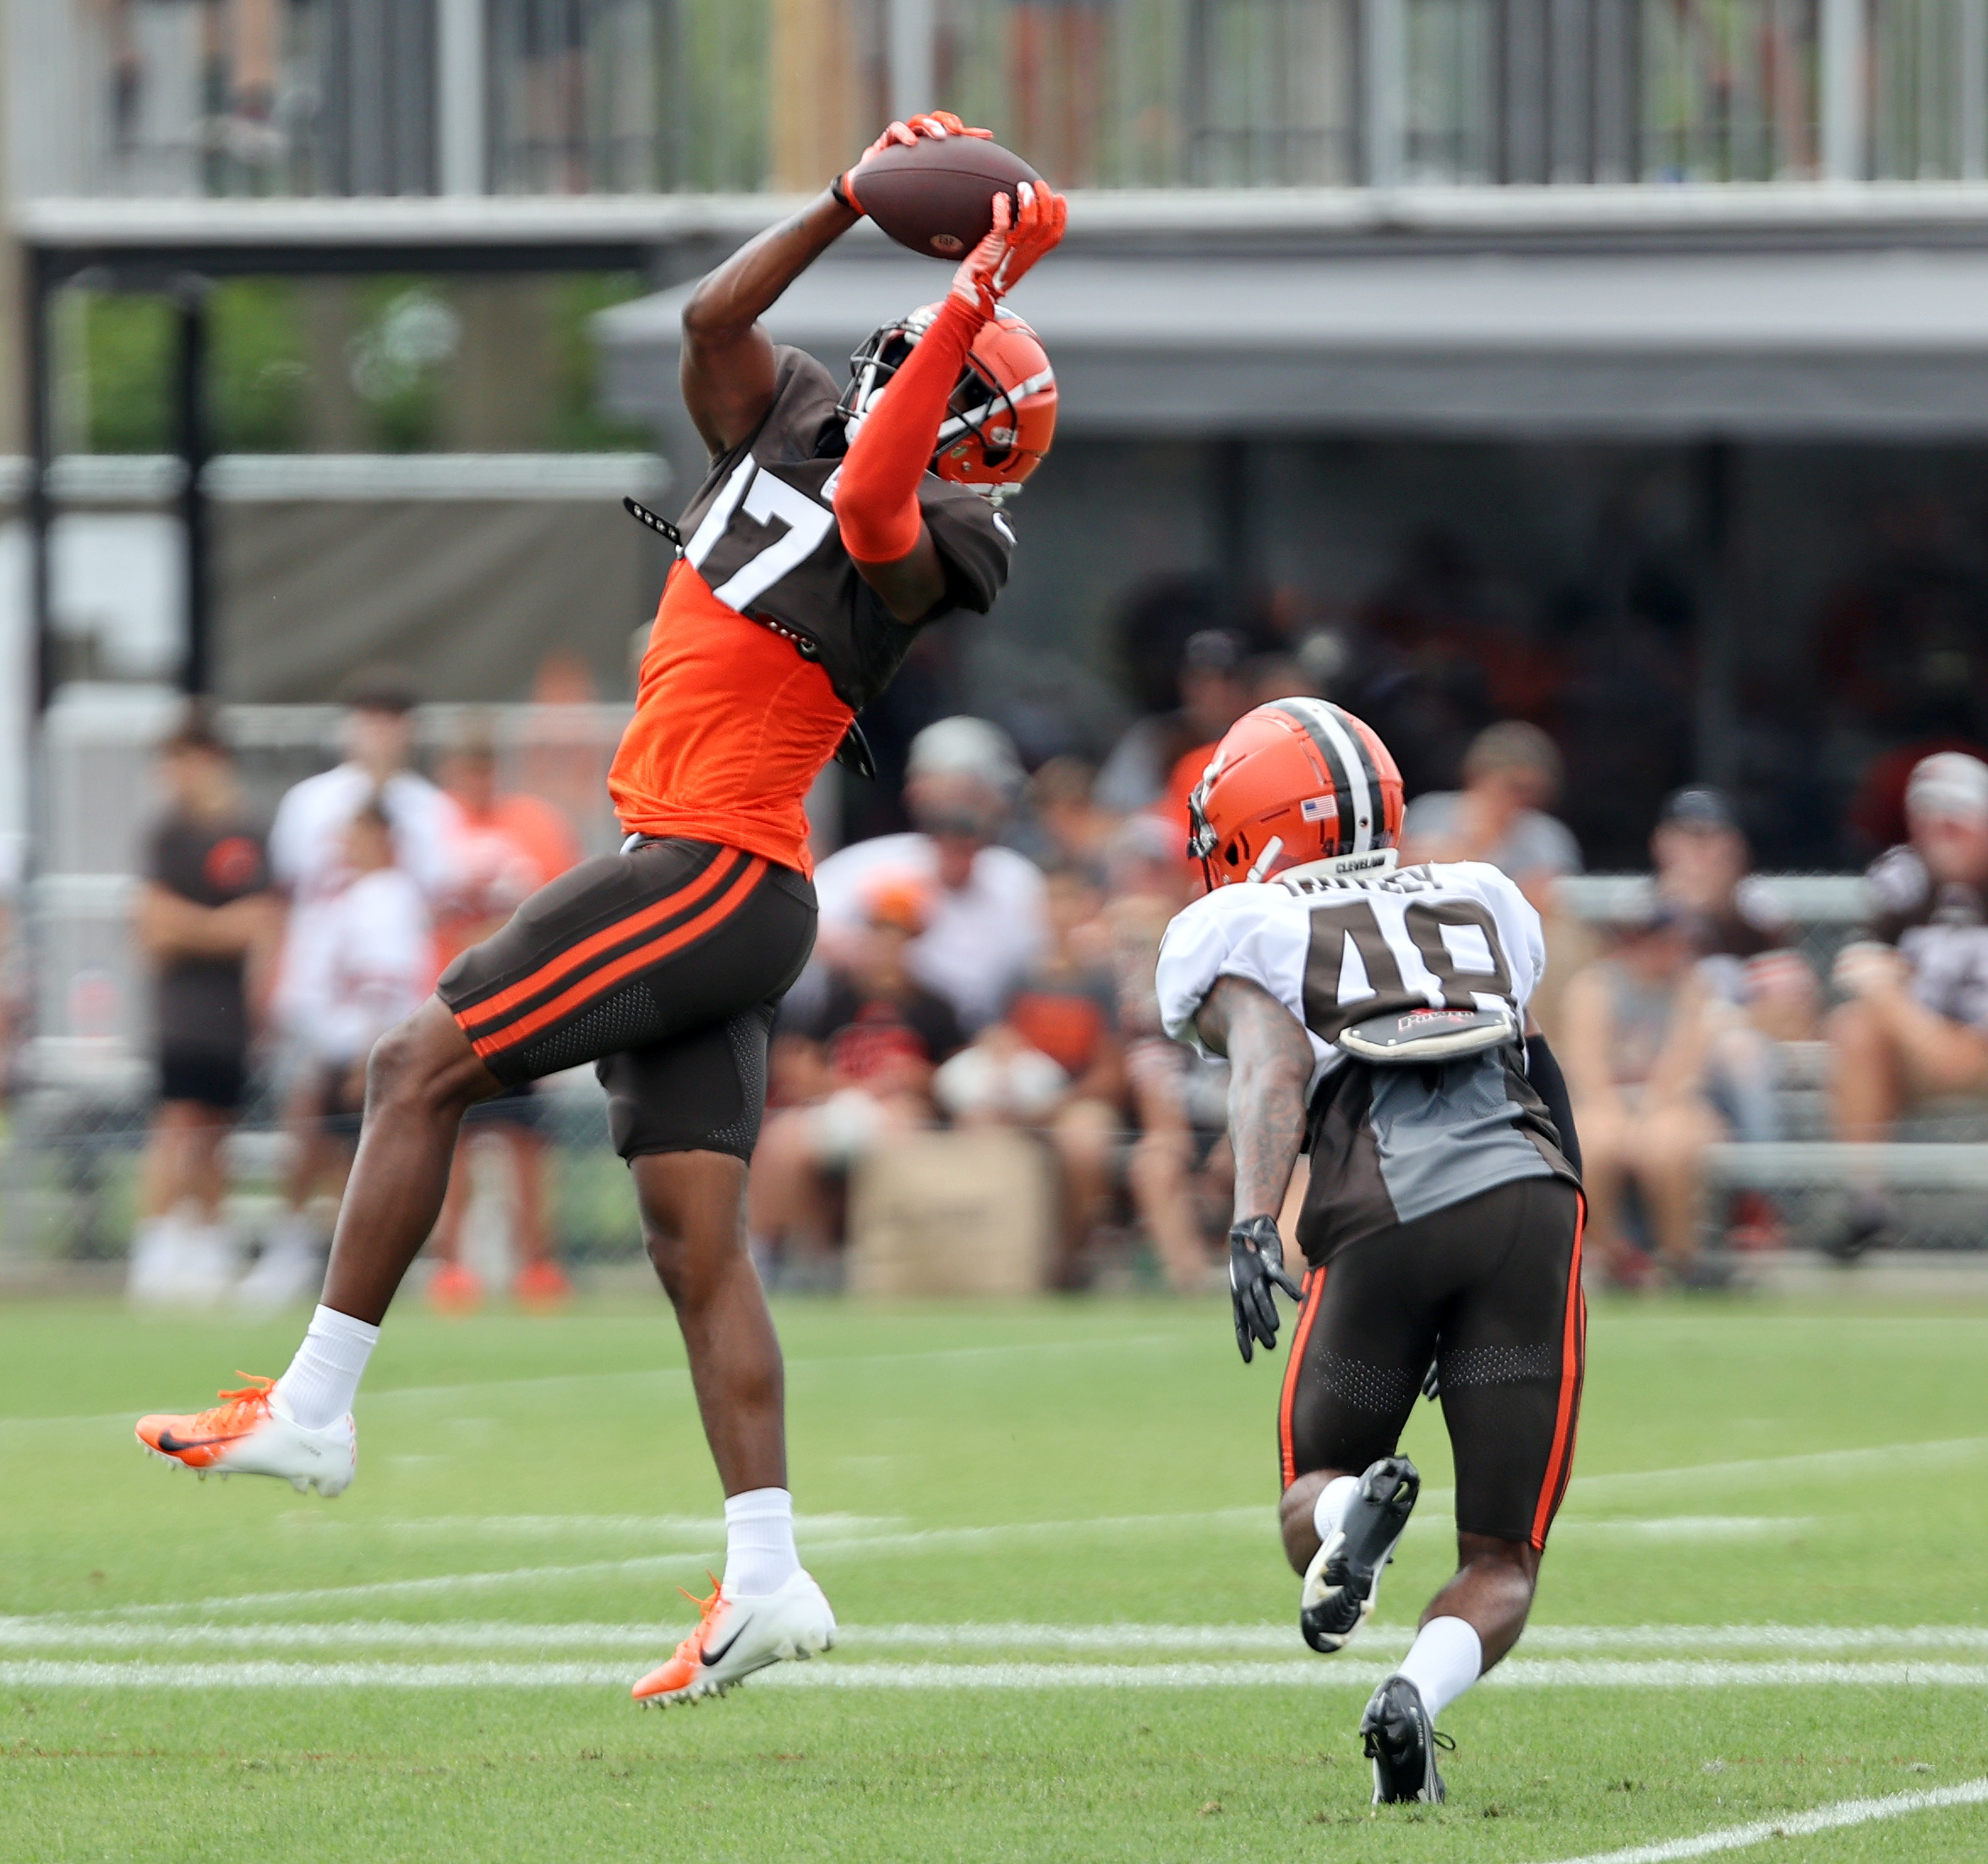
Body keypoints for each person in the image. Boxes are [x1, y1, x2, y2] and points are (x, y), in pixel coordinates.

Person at [134, 111, 1067, 1708]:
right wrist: (846, 200)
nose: (882, 371)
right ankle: (768, 1578)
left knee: (414, 1063)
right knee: (695, 1245)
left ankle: (317, 1401)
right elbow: (717, 321)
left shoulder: (951, 540)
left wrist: (975, 303)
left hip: (713, 866)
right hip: (710, 870)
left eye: (925, 367)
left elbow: (873, 510)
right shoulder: (781, 411)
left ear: (964, 419)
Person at [1154, 697, 1583, 1805]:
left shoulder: (1244, 921)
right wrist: (1554, 1243)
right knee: (1501, 1554)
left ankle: (1355, 1518)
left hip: (1382, 1207)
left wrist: (1254, 1219)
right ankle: (1413, 1699)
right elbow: (1540, 1067)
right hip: (1532, 1195)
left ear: (1253, 821)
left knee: (1313, 1493)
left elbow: (1269, 1064)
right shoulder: (1482, 889)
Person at [245, 669, 456, 1312]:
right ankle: (292, 1245)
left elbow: (438, 908)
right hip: (317, 991)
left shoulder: (431, 811)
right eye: (369, 717)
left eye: (391, 719)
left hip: (388, 992)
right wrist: (270, 976)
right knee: (305, 1125)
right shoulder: (311, 802)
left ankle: (381, 1257)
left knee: (388, 1128)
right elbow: (282, 899)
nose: (380, 733)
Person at [425, 729, 585, 1313]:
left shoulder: (533, 825)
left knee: (526, 1137)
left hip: (520, 1004)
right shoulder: (431, 828)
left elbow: (560, 908)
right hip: (450, 1002)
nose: (475, 780)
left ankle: (537, 1261)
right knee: (454, 1138)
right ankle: (451, 1265)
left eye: (483, 767)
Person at [128, 708, 280, 1307]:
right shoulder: (167, 834)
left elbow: (263, 922)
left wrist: (197, 926)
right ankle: (158, 1246)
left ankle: (209, 1246)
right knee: (177, 1123)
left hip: (232, 1011)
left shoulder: (248, 833)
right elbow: (154, 927)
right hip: (180, 1008)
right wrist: (222, 926)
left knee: (219, 1128)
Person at [750, 875, 965, 1283]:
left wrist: (922, 1078)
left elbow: (958, 1079)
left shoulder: (936, 1006)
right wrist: (854, 1089)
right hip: (838, 1107)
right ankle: (794, 1257)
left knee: (899, 1129)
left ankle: (887, 1261)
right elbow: (793, 1065)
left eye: (898, 935)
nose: (887, 945)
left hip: (904, 1118)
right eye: (879, 933)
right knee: (785, 1140)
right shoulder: (834, 996)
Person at [1827, 750, 1988, 1259]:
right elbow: (1856, 967)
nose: (1936, 834)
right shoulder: (1903, 879)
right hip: (1925, 1050)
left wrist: (1890, 996)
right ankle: (1867, 1204)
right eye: (1926, 819)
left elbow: (1878, 980)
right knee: (1853, 1028)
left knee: (1878, 1006)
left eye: (1954, 822)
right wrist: (1908, 1019)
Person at [812, 716, 1048, 1031]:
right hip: (895, 1030)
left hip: (996, 1036)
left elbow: (1053, 961)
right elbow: (803, 922)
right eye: (975, 791)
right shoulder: (876, 864)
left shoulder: (1017, 876)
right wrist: (870, 953)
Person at [1559, 906, 1724, 1287]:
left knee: (1665, 1146)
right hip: (1608, 1099)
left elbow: (1684, 1060)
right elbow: (1586, 1063)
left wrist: (1648, 1112)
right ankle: (1615, 1259)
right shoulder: (1595, 986)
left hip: (1670, 1100)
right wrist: (1617, 1114)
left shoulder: (1692, 986)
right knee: (1595, 1144)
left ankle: (1681, 1259)